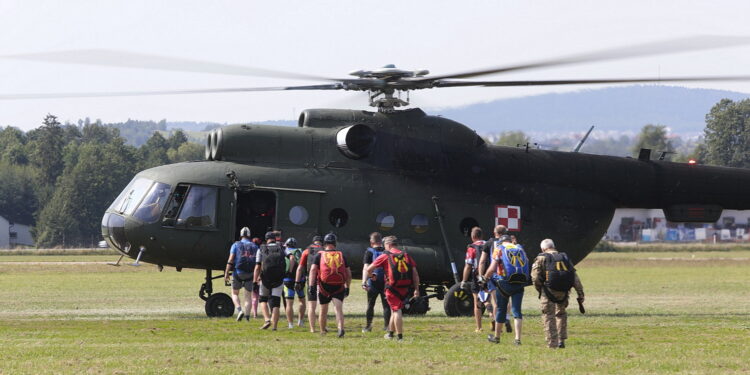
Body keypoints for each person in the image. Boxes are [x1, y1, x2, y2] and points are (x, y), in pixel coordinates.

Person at [531, 238, 585, 349]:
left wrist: (540, 289)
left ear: (543, 248)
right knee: (561, 314)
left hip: (548, 291)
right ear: (554, 246)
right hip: (564, 292)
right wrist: (580, 293)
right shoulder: (564, 257)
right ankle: (561, 340)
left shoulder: (541, 258)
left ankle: (552, 343)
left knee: (548, 316)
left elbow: (535, 277)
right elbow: (574, 276)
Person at [366, 235, 420, 341]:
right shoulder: (406, 255)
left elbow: (369, 269)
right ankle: (390, 334)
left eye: (384, 244)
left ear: (389, 244)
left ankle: (400, 337)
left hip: (391, 288)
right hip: (404, 288)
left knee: (396, 311)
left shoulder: (385, 256)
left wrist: (372, 276)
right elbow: (415, 274)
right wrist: (416, 289)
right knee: (394, 309)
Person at [483, 234, 530, 345]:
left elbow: (492, 268)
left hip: (504, 283)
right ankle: (517, 339)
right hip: (520, 282)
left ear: (501, 242)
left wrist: (485, 278)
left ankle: (497, 337)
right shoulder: (519, 248)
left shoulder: (499, 249)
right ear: (510, 241)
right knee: (517, 311)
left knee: (501, 309)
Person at [309, 233, 351, 337]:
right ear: (335, 243)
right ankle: (340, 328)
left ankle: (322, 331)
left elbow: (313, 270)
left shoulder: (319, 255)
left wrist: (311, 286)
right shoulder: (341, 255)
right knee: (338, 309)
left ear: (324, 243)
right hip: (339, 286)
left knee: (323, 310)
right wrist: (347, 286)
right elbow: (349, 273)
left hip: (324, 286)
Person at [223, 227, 259, 321]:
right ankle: (247, 317)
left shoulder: (235, 244)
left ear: (241, 235)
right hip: (250, 273)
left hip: (238, 273)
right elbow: (258, 262)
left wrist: (226, 272)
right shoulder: (255, 246)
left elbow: (231, 260)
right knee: (248, 296)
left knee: (235, 293)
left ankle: (239, 311)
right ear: (249, 235)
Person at [253, 231, 286, 330]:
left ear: (266, 239)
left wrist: (255, 281)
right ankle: (274, 327)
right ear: (275, 238)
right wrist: (287, 271)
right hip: (279, 278)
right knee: (276, 303)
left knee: (263, 299)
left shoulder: (262, 249)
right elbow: (292, 258)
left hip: (265, 278)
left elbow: (258, 266)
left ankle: (267, 319)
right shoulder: (282, 247)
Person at [361, 232, 391, 333]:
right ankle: (387, 327)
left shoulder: (369, 252)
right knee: (386, 306)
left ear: (371, 242)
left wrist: (364, 281)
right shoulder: (386, 252)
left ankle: (368, 326)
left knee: (370, 305)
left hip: (373, 281)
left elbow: (366, 268)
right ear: (381, 241)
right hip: (385, 282)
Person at [295, 235, 323, 332]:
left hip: (311, 280)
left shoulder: (307, 251)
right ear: (321, 243)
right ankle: (323, 326)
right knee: (322, 305)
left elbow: (300, 268)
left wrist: (297, 282)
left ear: (313, 242)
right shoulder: (324, 251)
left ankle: (312, 329)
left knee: (311, 306)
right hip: (322, 281)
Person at [460, 226, 486, 332]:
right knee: (492, 300)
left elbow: (468, 265)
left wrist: (464, 280)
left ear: (473, 236)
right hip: (489, 275)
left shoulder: (472, 248)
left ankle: (479, 327)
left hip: (477, 276)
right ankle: (495, 323)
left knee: (477, 302)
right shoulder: (489, 245)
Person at [283, 237, 306, 328]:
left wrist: (289, 271)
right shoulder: (300, 251)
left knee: (289, 303)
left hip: (288, 279)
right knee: (302, 300)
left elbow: (291, 259)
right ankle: (300, 321)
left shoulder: (285, 251)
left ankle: (290, 324)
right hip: (300, 279)